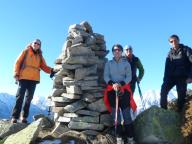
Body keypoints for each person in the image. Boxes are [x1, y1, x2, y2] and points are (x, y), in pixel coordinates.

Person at [11, 39, 56, 123]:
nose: (36, 44)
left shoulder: (39, 55)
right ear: (32, 43)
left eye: (38, 44)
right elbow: (17, 62)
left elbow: (44, 66)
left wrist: (52, 70)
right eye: (35, 43)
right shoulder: (26, 51)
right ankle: (15, 117)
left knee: (29, 98)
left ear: (40, 46)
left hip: (34, 79)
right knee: (19, 97)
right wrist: (16, 74)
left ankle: (24, 117)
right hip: (23, 77)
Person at [104, 44, 136, 144]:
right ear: (112, 52)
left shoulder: (126, 64)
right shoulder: (108, 64)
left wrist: (120, 84)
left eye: (118, 50)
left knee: (126, 115)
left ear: (121, 51)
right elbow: (106, 76)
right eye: (114, 50)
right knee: (116, 115)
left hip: (124, 91)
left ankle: (130, 138)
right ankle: (119, 138)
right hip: (112, 91)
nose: (116, 51)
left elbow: (129, 77)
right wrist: (113, 84)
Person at [160, 34, 192, 112]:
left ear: (178, 40)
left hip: (182, 77)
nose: (173, 42)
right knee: (163, 90)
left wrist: (190, 76)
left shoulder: (186, 49)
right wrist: (165, 80)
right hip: (171, 77)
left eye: (175, 40)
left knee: (181, 95)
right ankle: (163, 111)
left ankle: (179, 113)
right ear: (169, 43)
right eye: (171, 41)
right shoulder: (169, 54)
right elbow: (166, 69)